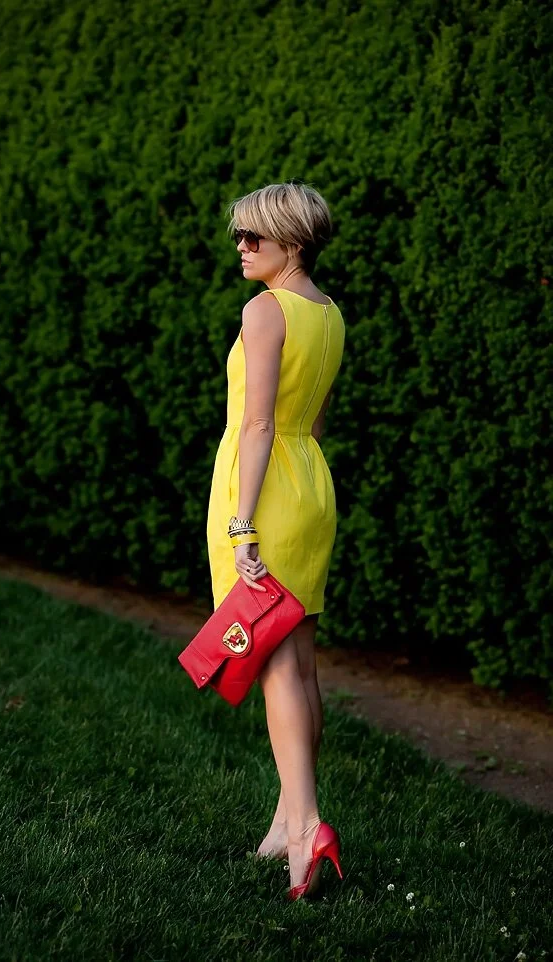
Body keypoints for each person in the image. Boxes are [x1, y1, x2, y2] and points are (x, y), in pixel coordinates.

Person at [206, 181, 346, 900]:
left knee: (275, 668)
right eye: (239, 234)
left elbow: (258, 423)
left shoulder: (265, 310)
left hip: (263, 493)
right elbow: (313, 422)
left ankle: (306, 829)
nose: (241, 246)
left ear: (290, 241)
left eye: (253, 235)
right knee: (303, 664)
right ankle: (287, 819)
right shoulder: (329, 312)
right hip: (310, 485)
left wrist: (242, 525)